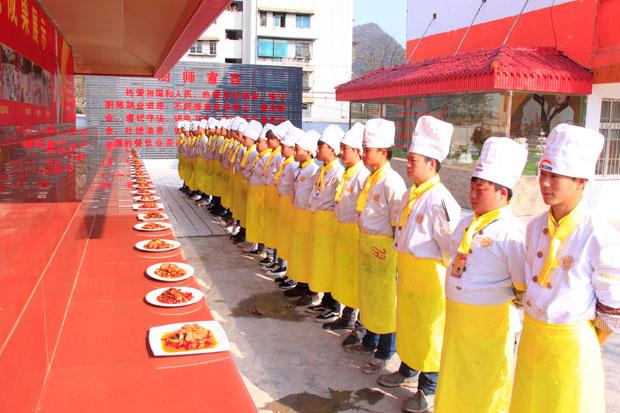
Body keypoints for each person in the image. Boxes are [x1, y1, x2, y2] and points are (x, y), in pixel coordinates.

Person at [510, 124, 620, 412]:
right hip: (533, 337)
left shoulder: (598, 235)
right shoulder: (534, 226)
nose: (545, 183)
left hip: (571, 345)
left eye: (555, 176)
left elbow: (612, 306)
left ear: (581, 181)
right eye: (543, 174)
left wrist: (585, 346)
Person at [433, 137, 527, 413]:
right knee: (457, 378)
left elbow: (521, 286)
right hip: (459, 321)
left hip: (491, 327)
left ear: (502, 192)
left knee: (487, 385)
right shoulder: (466, 224)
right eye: (473, 186)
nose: (473, 194)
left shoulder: (511, 233)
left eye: (481, 188)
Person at [378, 116, 461, 412]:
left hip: (430, 280)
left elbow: (450, 249)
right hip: (409, 275)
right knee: (410, 328)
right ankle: (407, 370)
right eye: (409, 159)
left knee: (430, 335)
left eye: (414, 160)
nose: (409, 165)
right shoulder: (412, 194)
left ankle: (428, 389)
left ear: (432, 164)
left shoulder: (440, 201)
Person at [344, 118, 407, 376]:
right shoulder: (372, 178)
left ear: (383, 152)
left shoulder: (392, 182)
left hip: (383, 249)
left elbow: (397, 224)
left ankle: (384, 352)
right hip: (368, 245)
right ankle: (369, 340)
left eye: (368, 150)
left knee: (384, 302)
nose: (364, 153)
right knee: (370, 298)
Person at [325, 123, 370, 334]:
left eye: (345, 149)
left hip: (354, 233)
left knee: (354, 280)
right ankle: (345, 315)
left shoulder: (362, 176)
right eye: (341, 148)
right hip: (342, 231)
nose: (342, 152)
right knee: (344, 277)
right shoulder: (347, 172)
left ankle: (353, 319)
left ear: (358, 152)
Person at [306, 125, 346, 323]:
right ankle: (326, 301)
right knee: (321, 264)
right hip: (320, 222)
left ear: (332, 149)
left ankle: (334, 305)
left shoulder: (338, 173)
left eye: (321, 146)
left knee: (330, 265)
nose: (318, 149)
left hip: (330, 224)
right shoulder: (323, 170)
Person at [282, 130, 320, 306]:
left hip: (308, 216)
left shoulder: (313, 170)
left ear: (308, 151)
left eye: (298, 150)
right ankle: (300, 283)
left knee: (306, 254)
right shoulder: (300, 168)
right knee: (298, 252)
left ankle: (310, 291)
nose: (295, 152)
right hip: (298, 214)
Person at [269, 126, 302, 279]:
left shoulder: (293, 165)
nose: (282, 149)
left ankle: (286, 269)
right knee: (281, 237)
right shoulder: (288, 163)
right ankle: (281, 265)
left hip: (290, 207)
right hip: (283, 204)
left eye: (284, 147)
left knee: (289, 241)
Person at [260, 121, 293, 269]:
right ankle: (274, 259)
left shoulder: (287, 162)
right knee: (274, 231)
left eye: (270, 139)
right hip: (274, 199)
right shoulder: (278, 156)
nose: (267, 142)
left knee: (283, 234)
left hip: (284, 202)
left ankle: (281, 264)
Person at [244, 123, 274, 256]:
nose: (258, 145)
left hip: (261, 193)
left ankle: (260, 247)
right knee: (254, 218)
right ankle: (253, 242)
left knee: (259, 220)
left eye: (260, 142)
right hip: (255, 191)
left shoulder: (268, 158)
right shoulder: (260, 156)